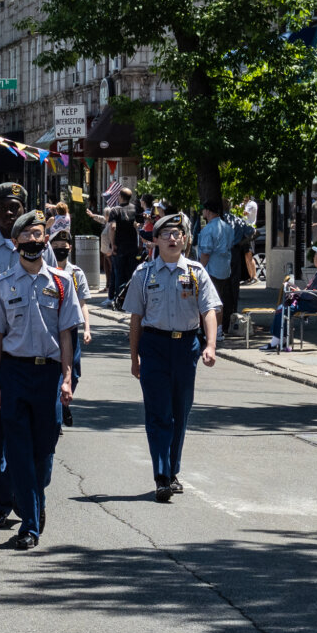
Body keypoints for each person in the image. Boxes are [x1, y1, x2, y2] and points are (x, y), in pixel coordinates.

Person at [0, 212, 81, 549]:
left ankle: (36, 499)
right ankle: (29, 523)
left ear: (46, 240)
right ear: (15, 243)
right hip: (13, 372)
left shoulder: (61, 282)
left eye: (38, 235)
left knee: (44, 451)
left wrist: (68, 378)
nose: (33, 241)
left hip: (48, 374)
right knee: (19, 451)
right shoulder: (1, 284)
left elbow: (67, 335)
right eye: (26, 236)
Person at [123, 213, 221, 502]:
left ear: (185, 240)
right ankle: (162, 476)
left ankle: (172, 470)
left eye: (178, 233)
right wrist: (134, 358)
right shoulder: (143, 275)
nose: (173, 238)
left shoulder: (195, 272)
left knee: (181, 412)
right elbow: (136, 319)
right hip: (153, 345)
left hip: (186, 346)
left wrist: (211, 345)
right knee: (158, 414)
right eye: (166, 233)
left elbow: (209, 311)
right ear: (155, 240)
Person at [49, 228, 93, 426]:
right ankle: (57, 410)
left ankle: (64, 402)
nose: (60, 250)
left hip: (72, 329)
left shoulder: (76, 273)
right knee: (55, 371)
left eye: (63, 247)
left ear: (70, 248)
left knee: (74, 372)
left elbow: (82, 303)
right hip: (51, 329)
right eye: (55, 247)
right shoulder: (46, 271)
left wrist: (87, 328)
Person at [263, 248, 317, 351]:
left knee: (282, 309)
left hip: (313, 304)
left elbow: (314, 295)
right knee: (283, 307)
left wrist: (299, 292)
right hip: (315, 302)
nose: (313, 257)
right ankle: (280, 339)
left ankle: (277, 342)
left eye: (315, 255)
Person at [197, 200, 236, 339]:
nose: (202, 212)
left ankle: (213, 331)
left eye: (204, 210)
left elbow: (206, 253)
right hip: (224, 268)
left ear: (208, 211)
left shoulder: (208, 229)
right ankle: (218, 329)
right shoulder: (227, 227)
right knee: (219, 300)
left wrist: (199, 269)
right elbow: (231, 244)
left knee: (210, 301)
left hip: (211, 269)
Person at [106, 188, 141, 303]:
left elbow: (112, 227)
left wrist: (113, 244)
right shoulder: (135, 209)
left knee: (119, 274)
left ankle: (120, 299)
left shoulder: (115, 210)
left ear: (120, 197)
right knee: (131, 274)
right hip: (132, 246)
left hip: (120, 246)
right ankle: (131, 299)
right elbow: (139, 226)